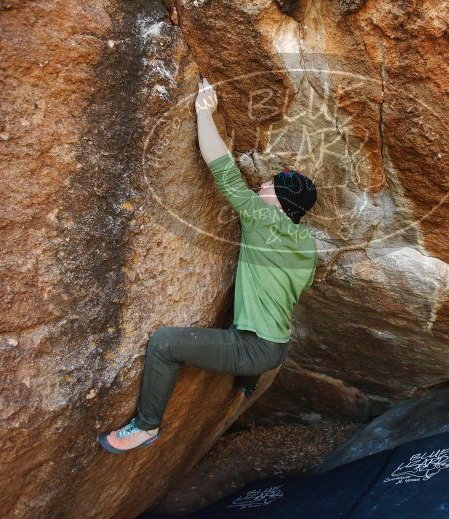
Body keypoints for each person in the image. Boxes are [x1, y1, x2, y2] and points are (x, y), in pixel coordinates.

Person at [98, 77, 318, 453]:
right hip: (276, 346)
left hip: (254, 348)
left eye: (267, 186)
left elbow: (223, 170)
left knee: (165, 344)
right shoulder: (307, 244)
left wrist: (204, 113)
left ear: (280, 202)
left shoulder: (262, 220)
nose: (260, 186)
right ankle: (247, 383)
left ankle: (147, 426)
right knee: (250, 330)